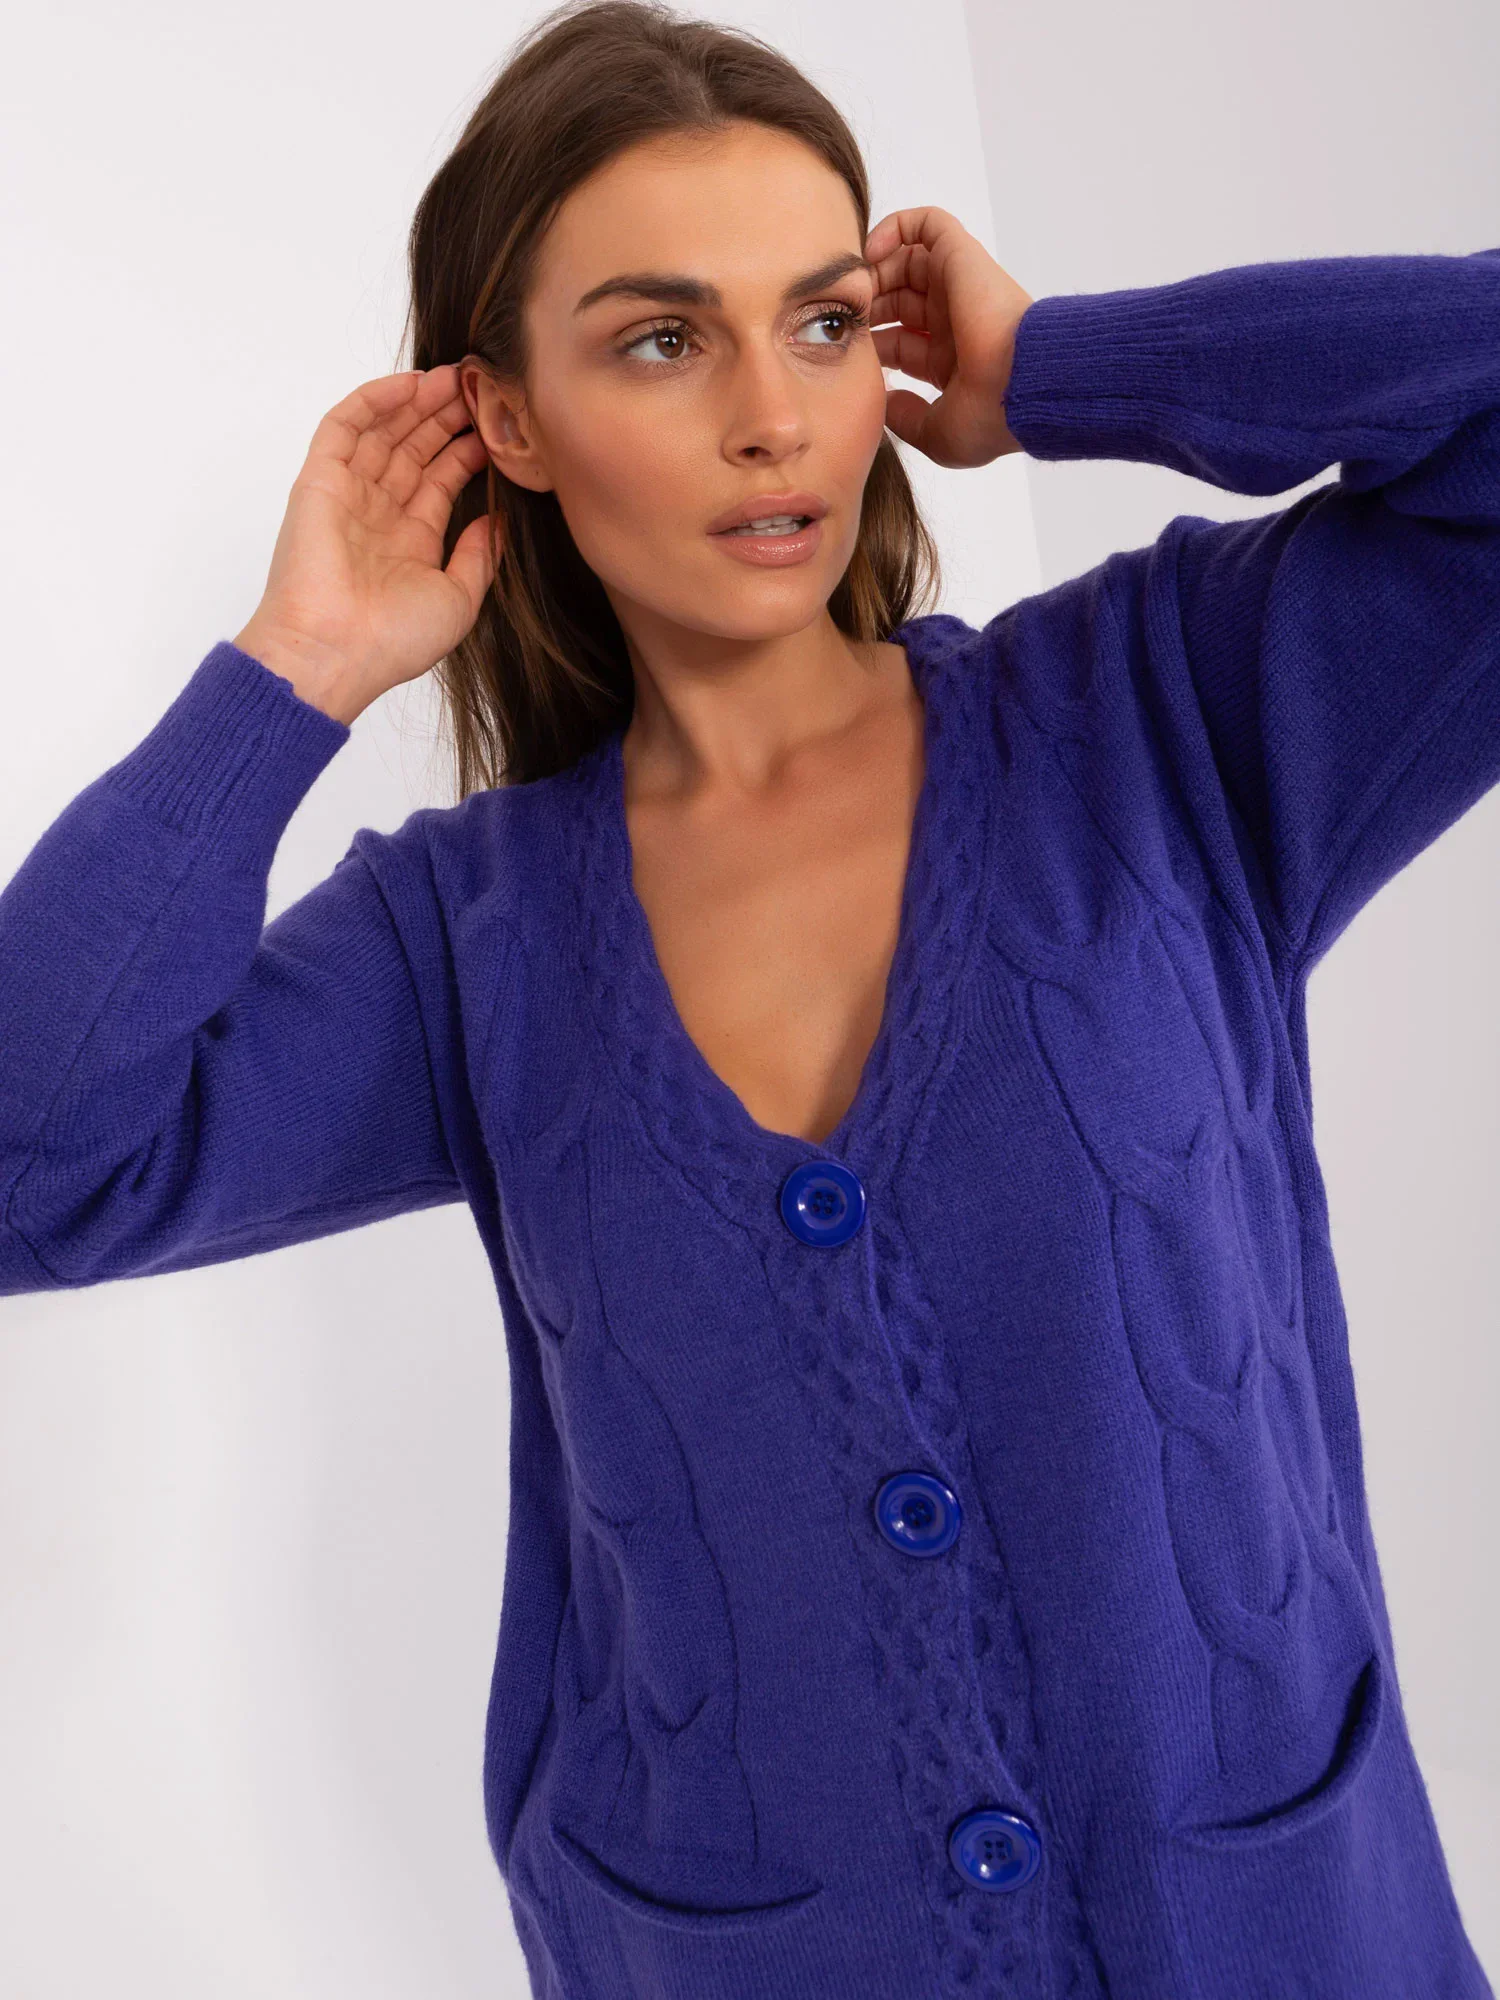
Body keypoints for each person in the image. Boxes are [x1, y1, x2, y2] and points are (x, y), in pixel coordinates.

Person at [1, 1, 1496, 1994]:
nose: (773, 418)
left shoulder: (1161, 721)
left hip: (1273, 1933)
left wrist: (1068, 367)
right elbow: (31, 1164)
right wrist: (291, 674)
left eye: (820, 323)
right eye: (660, 340)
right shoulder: (468, 940)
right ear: (507, 420)